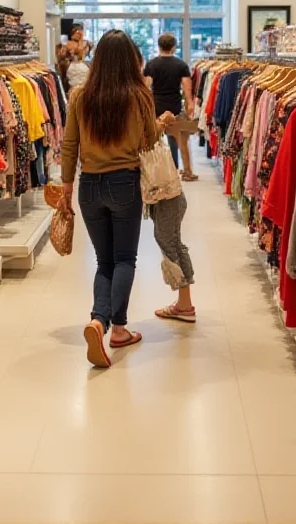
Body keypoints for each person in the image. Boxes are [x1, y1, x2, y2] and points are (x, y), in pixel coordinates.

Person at [60, 29, 169, 369]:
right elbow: (149, 141)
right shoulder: (139, 96)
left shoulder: (80, 96)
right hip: (125, 182)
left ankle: (100, 320)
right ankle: (114, 327)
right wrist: (159, 124)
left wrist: (65, 187)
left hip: (89, 184)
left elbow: (69, 146)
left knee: (103, 261)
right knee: (125, 259)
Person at [144, 32, 198, 181]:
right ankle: (187, 172)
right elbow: (187, 88)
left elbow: (146, 86)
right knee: (182, 140)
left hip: (156, 107)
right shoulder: (181, 65)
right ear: (174, 47)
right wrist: (189, 104)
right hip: (174, 106)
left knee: (153, 140)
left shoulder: (151, 64)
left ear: (159, 46)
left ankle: (153, 173)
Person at [150, 188, 196, 322]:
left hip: (168, 197)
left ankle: (185, 305)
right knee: (171, 243)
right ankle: (184, 302)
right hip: (166, 196)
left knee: (171, 245)